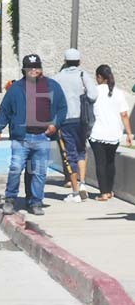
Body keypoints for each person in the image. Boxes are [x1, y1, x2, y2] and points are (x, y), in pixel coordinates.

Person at [0, 54, 67, 215]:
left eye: (36, 67)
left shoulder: (52, 86)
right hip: (22, 137)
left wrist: (55, 124)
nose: (34, 70)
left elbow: (62, 108)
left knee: (39, 171)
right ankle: (10, 199)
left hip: (43, 136)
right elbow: (5, 109)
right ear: (24, 70)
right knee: (16, 168)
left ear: (41, 68)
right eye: (30, 67)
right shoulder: (16, 88)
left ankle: (35, 202)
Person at [53, 48, 98, 203]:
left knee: (69, 154)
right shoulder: (83, 75)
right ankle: (83, 183)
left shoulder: (57, 78)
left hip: (65, 120)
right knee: (81, 151)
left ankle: (75, 191)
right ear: (79, 61)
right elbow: (93, 95)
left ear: (65, 61)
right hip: (82, 119)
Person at [88, 65, 132, 202]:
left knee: (100, 163)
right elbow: (124, 115)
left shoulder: (94, 91)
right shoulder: (119, 93)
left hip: (97, 133)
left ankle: (103, 193)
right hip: (114, 134)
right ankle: (109, 190)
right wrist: (129, 134)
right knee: (110, 162)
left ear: (99, 77)